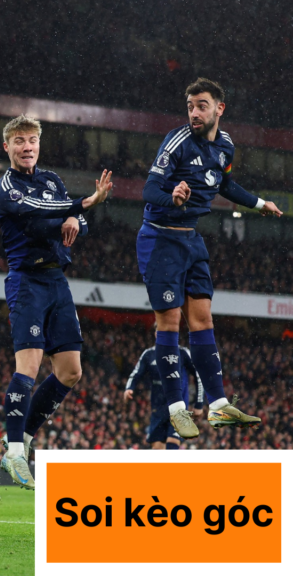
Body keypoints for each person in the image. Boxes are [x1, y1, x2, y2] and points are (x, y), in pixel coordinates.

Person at [138, 78, 281, 438]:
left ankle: (217, 406)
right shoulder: (177, 141)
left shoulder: (226, 146)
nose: (194, 112)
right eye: (190, 105)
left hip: (191, 240)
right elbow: (149, 188)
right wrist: (171, 193)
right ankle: (176, 409)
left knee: (202, 319)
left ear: (220, 109)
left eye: (201, 105)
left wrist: (260, 203)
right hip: (160, 238)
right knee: (169, 322)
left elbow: (225, 185)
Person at [0, 115, 112, 489]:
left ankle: (22, 437)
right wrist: (81, 204)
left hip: (56, 281)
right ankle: (14, 453)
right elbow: (35, 213)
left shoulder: (52, 180)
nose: (27, 147)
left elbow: (76, 223)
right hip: (27, 282)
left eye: (32, 140)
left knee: (71, 371)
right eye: (19, 141)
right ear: (7, 147)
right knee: (28, 367)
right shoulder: (7, 187)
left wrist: (78, 217)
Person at [124, 342, 203, 449]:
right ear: (156, 332)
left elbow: (198, 374)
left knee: (172, 444)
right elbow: (137, 373)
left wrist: (199, 404)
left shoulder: (182, 352)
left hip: (178, 409)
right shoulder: (149, 354)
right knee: (157, 449)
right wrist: (129, 388)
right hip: (158, 410)